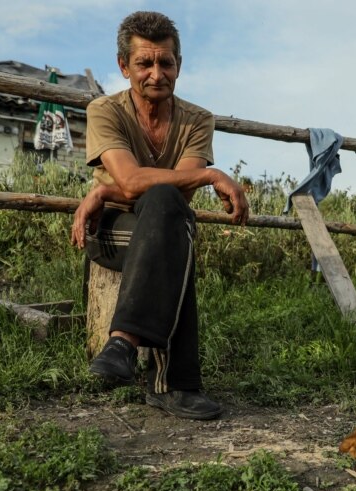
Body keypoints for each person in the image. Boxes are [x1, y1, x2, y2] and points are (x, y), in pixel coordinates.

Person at [71, 11, 249, 420]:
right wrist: (211, 174)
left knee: (170, 212)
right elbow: (134, 181)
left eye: (165, 62)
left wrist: (104, 189)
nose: (156, 73)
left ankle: (122, 344)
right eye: (144, 63)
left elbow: (175, 188)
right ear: (123, 67)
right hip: (111, 230)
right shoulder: (105, 110)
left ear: (178, 65)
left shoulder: (197, 120)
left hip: (162, 222)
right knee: (175, 231)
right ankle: (176, 384)